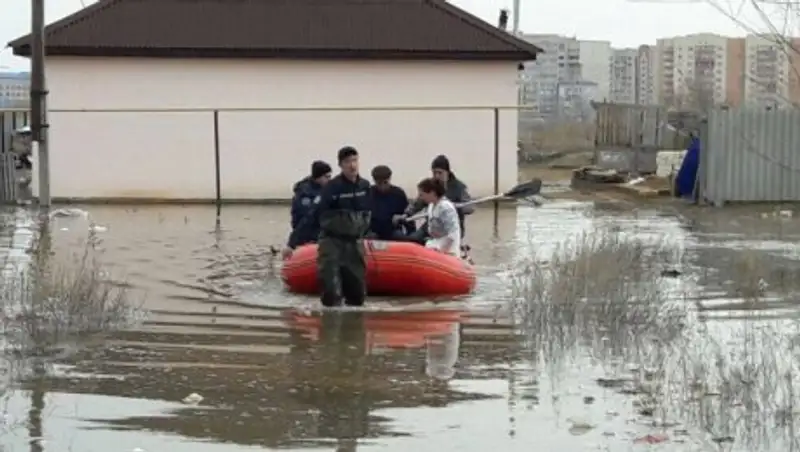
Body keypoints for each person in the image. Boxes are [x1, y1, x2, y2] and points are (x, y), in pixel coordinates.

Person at [284, 146, 372, 307]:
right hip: (332, 242)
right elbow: (312, 216)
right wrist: (292, 243)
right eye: (347, 162)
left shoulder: (365, 186)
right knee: (331, 292)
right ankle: (330, 325)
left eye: (355, 160)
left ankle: (354, 329)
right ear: (341, 165)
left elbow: (371, 214)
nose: (352, 165)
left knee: (357, 293)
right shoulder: (332, 188)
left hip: (355, 243)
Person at [416, 177, 461, 256]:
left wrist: (443, 252)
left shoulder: (445, 207)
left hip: (448, 248)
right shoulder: (431, 206)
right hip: (435, 242)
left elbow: (452, 233)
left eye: (422, 195)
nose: (420, 198)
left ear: (432, 193)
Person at [369, 165, 414, 240]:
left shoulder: (398, 193)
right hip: (373, 231)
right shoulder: (368, 193)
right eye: (379, 183)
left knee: (401, 237)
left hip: (393, 230)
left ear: (390, 179)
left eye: (385, 182)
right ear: (374, 181)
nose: (382, 186)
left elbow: (408, 216)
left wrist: (411, 234)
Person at [291, 160, 333, 230]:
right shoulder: (304, 193)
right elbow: (307, 216)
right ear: (318, 177)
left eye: (330, 177)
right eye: (326, 177)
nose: (329, 179)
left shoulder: (326, 188)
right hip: (306, 232)